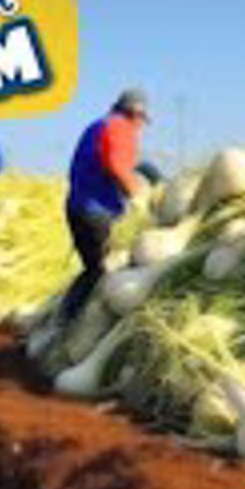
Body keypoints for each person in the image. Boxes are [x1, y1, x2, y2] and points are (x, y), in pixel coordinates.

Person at [55, 88, 151, 327]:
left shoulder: (98, 125)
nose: (141, 127)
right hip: (96, 210)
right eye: (141, 120)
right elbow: (116, 166)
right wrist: (137, 195)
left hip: (78, 206)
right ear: (135, 114)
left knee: (92, 269)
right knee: (100, 271)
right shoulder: (120, 127)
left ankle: (66, 316)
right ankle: (69, 321)